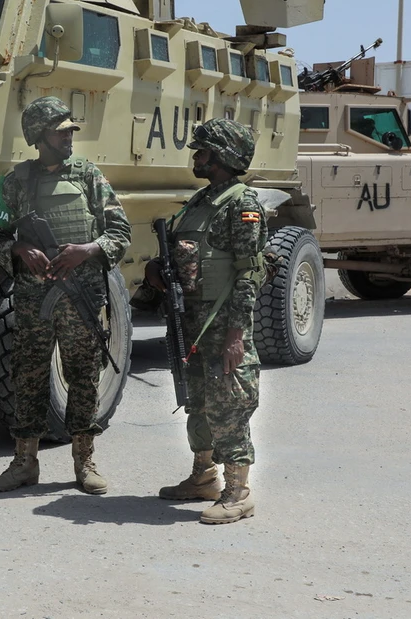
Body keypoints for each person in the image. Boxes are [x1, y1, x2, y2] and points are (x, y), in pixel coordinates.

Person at [0, 96, 131, 495]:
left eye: (70, 130)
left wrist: (86, 250)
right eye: (60, 131)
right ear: (39, 136)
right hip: (33, 299)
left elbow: (120, 232)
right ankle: (24, 462)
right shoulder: (14, 183)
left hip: (81, 295)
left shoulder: (88, 176)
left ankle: (84, 460)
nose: (69, 136)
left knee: (83, 375)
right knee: (27, 377)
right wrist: (18, 250)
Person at [145, 118, 267, 525]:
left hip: (222, 322)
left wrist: (236, 335)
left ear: (223, 156)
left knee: (228, 404)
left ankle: (238, 492)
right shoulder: (200, 201)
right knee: (196, 400)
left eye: (203, 150)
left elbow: (248, 273)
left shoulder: (242, 205)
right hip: (190, 321)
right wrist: (155, 270)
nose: (196, 156)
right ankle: (204, 478)